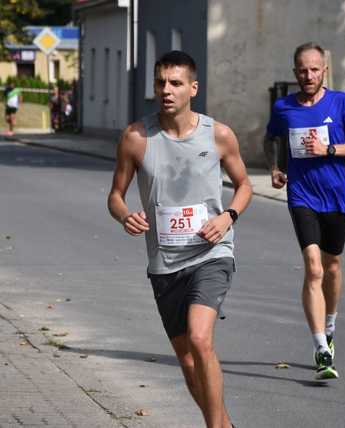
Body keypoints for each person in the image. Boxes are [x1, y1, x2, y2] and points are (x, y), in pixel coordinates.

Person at [108, 50, 252, 428]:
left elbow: (244, 185)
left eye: (175, 83)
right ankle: (223, 423)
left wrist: (228, 216)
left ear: (193, 87)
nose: (166, 91)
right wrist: (126, 215)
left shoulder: (218, 134)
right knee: (187, 359)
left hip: (211, 253)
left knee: (201, 339)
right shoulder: (136, 138)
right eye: (160, 83)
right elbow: (115, 196)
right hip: (165, 262)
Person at [263, 42, 345, 380]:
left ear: (324, 70)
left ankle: (330, 325)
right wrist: (275, 167)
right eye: (302, 70)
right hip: (301, 196)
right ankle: (321, 350)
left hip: (336, 197)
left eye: (314, 69)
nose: (308, 75)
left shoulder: (342, 103)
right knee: (313, 268)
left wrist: (330, 148)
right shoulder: (284, 107)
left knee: (332, 266)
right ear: (294, 72)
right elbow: (271, 139)